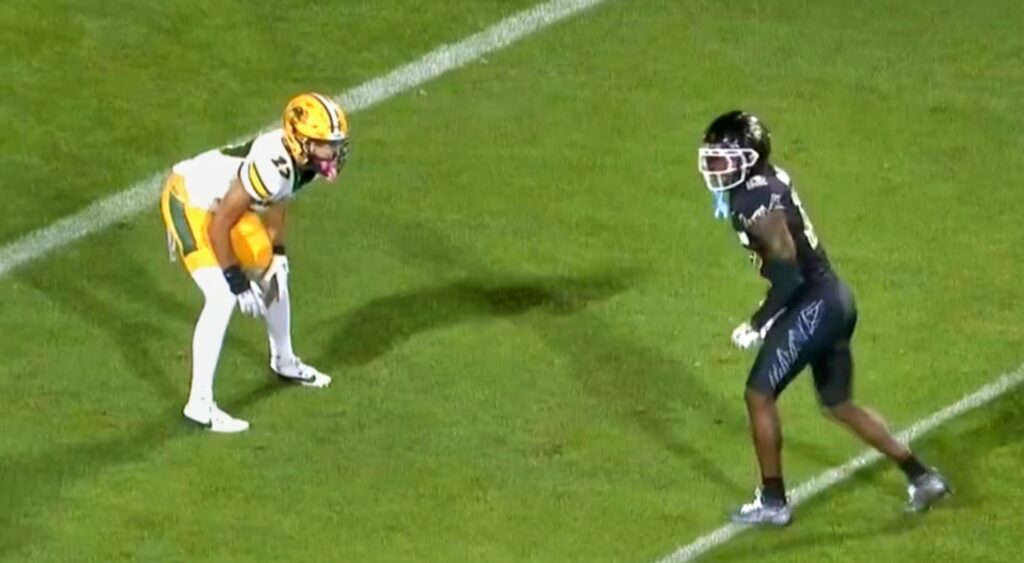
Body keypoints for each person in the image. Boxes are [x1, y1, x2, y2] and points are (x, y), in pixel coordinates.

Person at [697, 110, 950, 525]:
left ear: (750, 158)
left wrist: (758, 322)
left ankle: (773, 501)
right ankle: (922, 477)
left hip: (813, 302)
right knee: (838, 404)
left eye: (723, 160)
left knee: (758, 395)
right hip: (833, 299)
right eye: (712, 160)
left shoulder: (752, 200)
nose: (715, 169)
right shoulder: (765, 183)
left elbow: (790, 276)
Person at [159, 92, 349, 433]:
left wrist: (278, 252)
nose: (332, 152)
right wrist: (235, 279)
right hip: (190, 201)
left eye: (334, 144)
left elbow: (279, 199)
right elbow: (220, 226)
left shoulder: (301, 163)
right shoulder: (271, 166)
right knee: (221, 298)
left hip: (222, 206)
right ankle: (199, 405)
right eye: (324, 144)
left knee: (273, 271)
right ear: (300, 139)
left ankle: (285, 360)